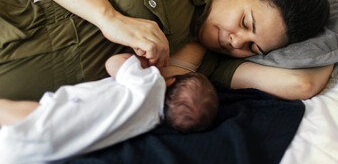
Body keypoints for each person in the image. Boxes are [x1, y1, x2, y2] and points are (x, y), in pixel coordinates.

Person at [0, 0, 333, 101]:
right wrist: (112, 20)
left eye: (253, 47)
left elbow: (299, 84)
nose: (237, 41)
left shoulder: (210, 67)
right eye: (246, 23)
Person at [0, 41, 218, 163]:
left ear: (170, 82)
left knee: (15, 111)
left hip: (50, 122)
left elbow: (113, 63)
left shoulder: (151, 83)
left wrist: (142, 64)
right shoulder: (150, 121)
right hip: (41, 154)